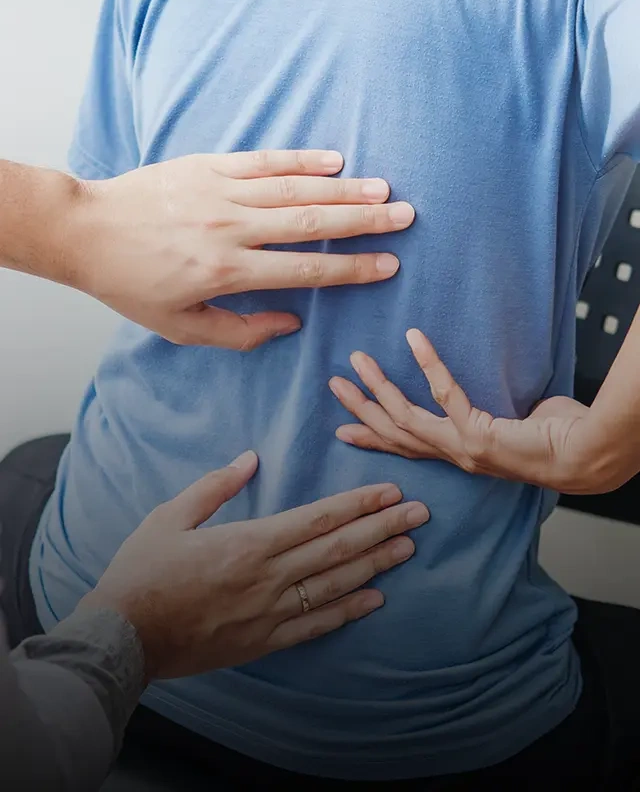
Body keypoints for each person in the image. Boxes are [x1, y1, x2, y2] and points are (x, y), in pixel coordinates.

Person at [20, 0, 640, 788]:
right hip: (407, 717)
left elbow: (114, 212)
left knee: (31, 467)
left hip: (83, 587)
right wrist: (608, 446)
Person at [0, 150, 422, 790]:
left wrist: (68, 220)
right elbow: (32, 761)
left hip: (70, 574)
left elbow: (110, 186)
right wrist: (132, 633)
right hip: (88, 657)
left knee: (30, 465)